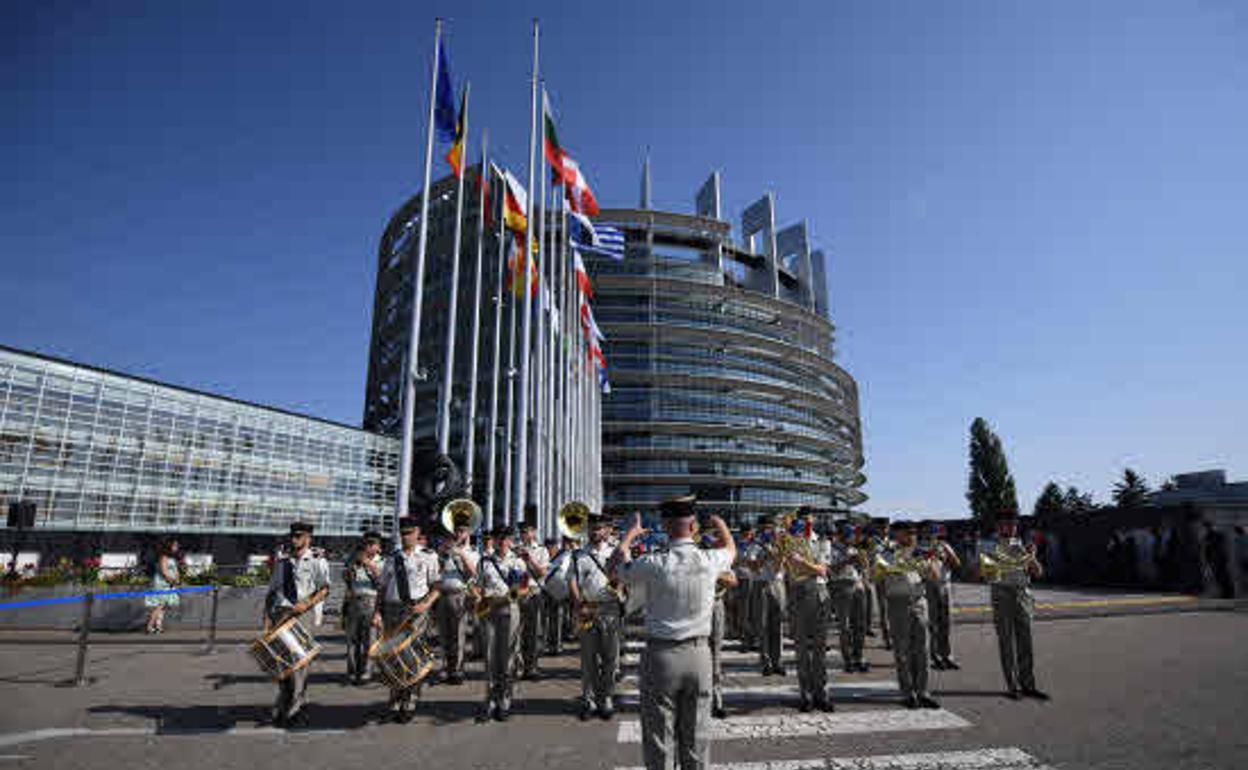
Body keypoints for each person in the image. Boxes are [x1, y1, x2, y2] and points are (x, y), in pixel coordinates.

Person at [612, 496, 736, 770]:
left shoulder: (654, 563)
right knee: (697, 737)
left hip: (662, 655)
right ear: (693, 526)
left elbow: (618, 569)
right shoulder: (709, 559)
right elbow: (731, 550)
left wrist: (630, 535)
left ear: (665, 526)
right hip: (699, 653)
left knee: (660, 738)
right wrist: (722, 525)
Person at [373, 516, 441, 722]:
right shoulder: (392, 558)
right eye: (403, 533)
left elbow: (436, 587)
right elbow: (382, 589)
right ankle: (395, 696)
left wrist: (426, 604)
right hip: (393, 611)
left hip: (416, 611)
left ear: (417, 532)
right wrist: (377, 612)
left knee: (413, 658)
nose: (406, 537)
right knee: (393, 657)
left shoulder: (429, 556)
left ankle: (410, 699)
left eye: (410, 533)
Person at [264, 521, 331, 728]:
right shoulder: (283, 560)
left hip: (303, 614)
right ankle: (284, 701)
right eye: (292, 536)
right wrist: (266, 621)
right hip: (281, 613)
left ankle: (296, 706)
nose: (294, 540)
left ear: (308, 538)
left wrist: (307, 604)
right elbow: (272, 590)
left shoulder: (317, 561)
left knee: (300, 662)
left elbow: (324, 589)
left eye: (299, 536)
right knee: (283, 662)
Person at [982, 510, 1048, 701]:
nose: (1010, 528)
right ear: (998, 526)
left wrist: (1031, 556)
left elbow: (1038, 573)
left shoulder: (1023, 545)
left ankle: (1028, 684)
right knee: (1006, 641)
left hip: (1023, 593)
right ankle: (1013, 686)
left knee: (1025, 642)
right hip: (1002, 593)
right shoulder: (990, 546)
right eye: (1006, 524)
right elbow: (986, 575)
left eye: (1013, 524)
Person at [879, 520, 939, 710]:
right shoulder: (887, 554)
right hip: (898, 602)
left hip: (919, 602)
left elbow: (935, 577)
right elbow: (876, 576)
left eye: (913, 533)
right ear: (898, 536)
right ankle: (907, 692)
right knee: (902, 650)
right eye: (908, 533)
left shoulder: (921, 553)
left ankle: (922, 691)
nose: (913, 537)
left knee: (922, 649)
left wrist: (929, 564)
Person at [569, 512, 622, 720]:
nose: (595, 532)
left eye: (599, 528)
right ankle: (588, 699)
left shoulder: (616, 553)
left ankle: (606, 697)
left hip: (610, 609)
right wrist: (578, 604)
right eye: (592, 528)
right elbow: (572, 582)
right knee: (588, 657)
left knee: (610, 657)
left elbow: (626, 578)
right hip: (587, 609)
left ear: (607, 530)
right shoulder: (578, 555)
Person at [475, 525, 525, 721]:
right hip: (489, 611)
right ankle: (490, 700)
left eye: (505, 539)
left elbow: (523, 588)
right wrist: (478, 599)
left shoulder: (518, 562)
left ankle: (505, 699)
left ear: (510, 541)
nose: (502, 542)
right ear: (493, 541)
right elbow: (478, 586)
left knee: (507, 658)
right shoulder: (485, 561)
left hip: (509, 610)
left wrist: (505, 599)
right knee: (489, 657)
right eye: (498, 539)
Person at [785, 512, 833, 712]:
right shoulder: (790, 541)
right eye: (803, 518)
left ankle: (822, 693)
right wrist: (804, 565)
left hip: (819, 593)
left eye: (809, 519)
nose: (806, 522)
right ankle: (805, 693)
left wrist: (802, 564)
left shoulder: (822, 541)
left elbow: (822, 570)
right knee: (802, 647)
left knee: (820, 647)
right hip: (798, 593)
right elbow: (790, 567)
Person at [436, 519, 479, 685]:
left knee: (458, 634)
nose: (459, 534)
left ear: (468, 533)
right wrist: (442, 555)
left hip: (460, 594)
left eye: (462, 531)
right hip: (442, 594)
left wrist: (461, 555)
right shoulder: (445, 550)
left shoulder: (473, 552)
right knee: (444, 634)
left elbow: (474, 573)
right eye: (457, 531)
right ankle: (446, 668)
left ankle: (458, 670)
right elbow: (436, 573)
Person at [342, 531, 383, 685]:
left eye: (372, 544)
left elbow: (382, 581)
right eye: (367, 544)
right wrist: (351, 568)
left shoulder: (382, 561)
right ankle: (352, 671)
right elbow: (346, 579)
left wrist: (369, 564)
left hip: (372, 600)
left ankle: (367, 671)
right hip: (354, 599)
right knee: (352, 639)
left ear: (378, 547)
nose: (369, 547)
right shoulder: (354, 559)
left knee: (370, 639)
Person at [705, 526, 738, 719]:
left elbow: (733, 581)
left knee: (716, 652)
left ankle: (716, 698)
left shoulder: (721, 558)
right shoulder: (698, 556)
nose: (714, 541)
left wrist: (713, 572)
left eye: (716, 537)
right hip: (697, 605)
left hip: (716, 604)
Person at [827, 524, 868, 674]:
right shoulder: (832, 549)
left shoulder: (854, 549)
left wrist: (862, 562)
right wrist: (848, 560)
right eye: (850, 535)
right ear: (842, 535)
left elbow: (862, 568)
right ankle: (848, 659)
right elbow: (830, 570)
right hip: (841, 586)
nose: (853, 538)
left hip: (858, 585)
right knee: (845, 626)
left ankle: (859, 656)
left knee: (860, 624)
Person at [923, 522, 962, 670]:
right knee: (932, 623)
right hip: (930, 585)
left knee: (946, 623)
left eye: (936, 533)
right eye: (931, 533)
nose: (934, 536)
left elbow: (957, 563)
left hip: (945, 584)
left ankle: (947, 655)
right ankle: (934, 656)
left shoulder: (945, 546)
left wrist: (947, 554)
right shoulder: (922, 547)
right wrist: (929, 554)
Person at [752, 515, 787, 676]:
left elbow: (781, 567)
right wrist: (765, 554)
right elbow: (754, 566)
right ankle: (766, 661)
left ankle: (778, 660)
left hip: (778, 584)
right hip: (761, 584)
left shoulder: (780, 544)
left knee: (778, 624)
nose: (769, 530)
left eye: (771, 527)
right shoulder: (755, 544)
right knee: (763, 625)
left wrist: (778, 550)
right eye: (766, 527)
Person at [517, 516, 551, 679]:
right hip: (517, 593)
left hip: (533, 591)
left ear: (534, 532)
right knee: (516, 632)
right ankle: (517, 665)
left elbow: (543, 573)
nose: (524, 534)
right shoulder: (514, 549)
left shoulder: (541, 550)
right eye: (522, 532)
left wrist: (529, 559)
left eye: (527, 531)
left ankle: (531, 667)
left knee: (533, 632)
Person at [145, 538, 180, 634]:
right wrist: (172, 580)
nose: (176, 547)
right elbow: (164, 571)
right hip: (161, 584)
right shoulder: (163, 557)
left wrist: (176, 579)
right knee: (159, 605)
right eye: (174, 545)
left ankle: (158, 626)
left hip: (169, 584)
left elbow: (175, 571)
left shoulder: (172, 558)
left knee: (163, 606)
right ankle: (150, 626)